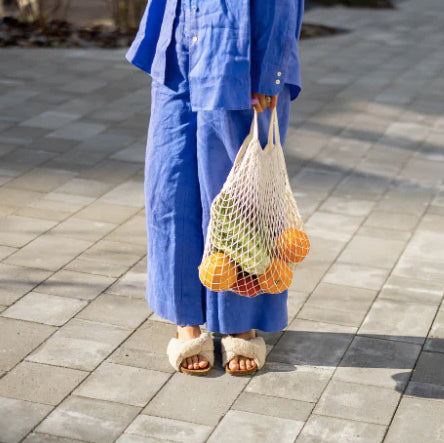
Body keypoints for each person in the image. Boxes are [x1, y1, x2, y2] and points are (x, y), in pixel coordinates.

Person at [125, 0, 304, 375]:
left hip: (241, 49)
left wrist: (270, 69)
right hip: (180, 39)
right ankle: (185, 316)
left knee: (240, 198)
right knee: (170, 191)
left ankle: (240, 320)